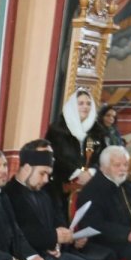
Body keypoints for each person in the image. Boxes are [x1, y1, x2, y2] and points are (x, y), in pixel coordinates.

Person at [46, 89, 100, 219]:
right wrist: (77, 173)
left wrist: (91, 171)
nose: (85, 107)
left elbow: (102, 156)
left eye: (88, 103)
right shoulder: (57, 130)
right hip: (61, 185)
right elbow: (54, 156)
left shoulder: (97, 131)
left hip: (90, 183)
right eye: (81, 103)